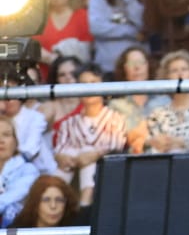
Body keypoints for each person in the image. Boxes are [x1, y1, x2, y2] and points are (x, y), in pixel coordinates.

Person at [51, 65, 131, 206]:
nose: (88, 88)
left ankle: (85, 207)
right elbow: (60, 149)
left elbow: (117, 145)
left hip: (107, 177)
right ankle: (54, 203)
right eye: (83, 84)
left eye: (93, 83)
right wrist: (65, 158)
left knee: (89, 159)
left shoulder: (115, 118)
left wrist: (93, 155)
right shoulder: (68, 123)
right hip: (71, 174)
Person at [38, 0, 91, 75]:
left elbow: (86, 51)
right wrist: (50, 58)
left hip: (75, 78)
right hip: (45, 78)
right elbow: (32, 47)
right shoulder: (40, 20)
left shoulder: (83, 16)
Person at [0, 114, 41, 227]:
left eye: (6, 135)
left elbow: (12, 197)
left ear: (16, 142)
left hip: (17, 234)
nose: (1, 140)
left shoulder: (28, 170)